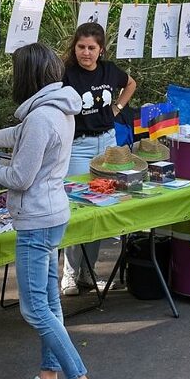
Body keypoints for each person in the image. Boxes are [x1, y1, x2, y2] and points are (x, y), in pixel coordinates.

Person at [0, 43, 100, 379]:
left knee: (35, 307)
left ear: (27, 75)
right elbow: (17, 134)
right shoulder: (55, 107)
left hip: (37, 220)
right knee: (49, 303)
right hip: (50, 214)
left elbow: (19, 178)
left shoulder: (42, 117)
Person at [61, 23, 137, 296]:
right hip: (78, 146)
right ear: (75, 48)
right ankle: (69, 274)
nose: (86, 53)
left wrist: (116, 108)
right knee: (78, 209)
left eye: (92, 48)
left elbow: (130, 84)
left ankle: (87, 273)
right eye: (81, 47)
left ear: (101, 49)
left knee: (99, 207)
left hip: (107, 144)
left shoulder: (109, 70)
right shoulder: (66, 74)